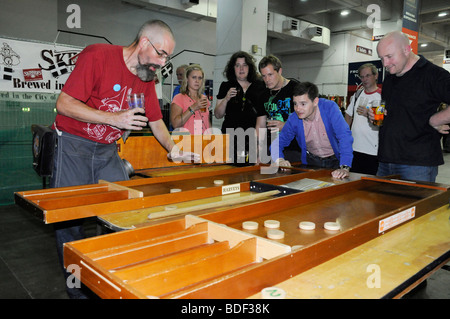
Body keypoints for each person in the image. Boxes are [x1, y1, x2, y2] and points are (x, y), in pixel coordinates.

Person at [50, 20, 195, 298]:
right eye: (161, 54)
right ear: (144, 43)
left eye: (167, 57)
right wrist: (113, 118)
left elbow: (156, 121)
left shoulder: (146, 78)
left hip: (106, 152)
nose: (162, 63)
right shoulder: (98, 56)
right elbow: (64, 104)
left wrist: (172, 148)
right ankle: (77, 292)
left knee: (123, 215)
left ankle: (107, 281)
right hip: (73, 147)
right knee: (69, 224)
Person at [372, 31, 450, 182]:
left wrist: (436, 119)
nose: (385, 64)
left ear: (406, 50)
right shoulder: (389, 78)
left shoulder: (433, 74)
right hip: (385, 161)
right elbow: (387, 111)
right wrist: (376, 116)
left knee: (414, 206)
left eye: (389, 56)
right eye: (381, 58)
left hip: (416, 164)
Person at [271, 82, 353, 179]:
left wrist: (344, 167)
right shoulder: (294, 118)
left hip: (335, 161)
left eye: (303, 104)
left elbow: (344, 136)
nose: (298, 109)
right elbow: (277, 143)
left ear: (315, 101)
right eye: (295, 104)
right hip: (311, 162)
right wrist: (279, 159)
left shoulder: (330, 108)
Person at [214, 51, 264, 164]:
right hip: (230, 137)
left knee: (250, 171)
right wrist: (226, 99)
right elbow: (218, 115)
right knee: (230, 171)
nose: (241, 69)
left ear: (250, 67)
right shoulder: (226, 86)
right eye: (237, 65)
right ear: (233, 68)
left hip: (252, 137)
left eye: (244, 65)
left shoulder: (260, 86)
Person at [254, 55, 301, 163]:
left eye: (270, 75)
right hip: (272, 148)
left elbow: (308, 122)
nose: (267, 80)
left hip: (294, 149)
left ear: (279, 71)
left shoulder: (296, 89)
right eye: (264, 76)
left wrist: (286, 126)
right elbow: (260, 126)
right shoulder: (263, 95)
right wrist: (258, 150)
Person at [344, 63, 381, 175]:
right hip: (354, 148)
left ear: (376, 76)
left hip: (372, 150)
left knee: (370, 185)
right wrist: (346, 135)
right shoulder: (357, 94)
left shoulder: (382, 95)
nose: (364, 79)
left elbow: (380, 122)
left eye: (368, 75)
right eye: (362, 76)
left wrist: (368, 113)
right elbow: (348, 114)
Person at [170, 64, 211, 134]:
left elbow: (206, 121)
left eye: (200, 78)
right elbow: (175, 124)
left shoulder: (203, 98)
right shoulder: (179, 98)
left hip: (203, 141)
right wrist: (193, 107)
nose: (197, 81)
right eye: (194, 77)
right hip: (186, 141)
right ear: (187, 79)